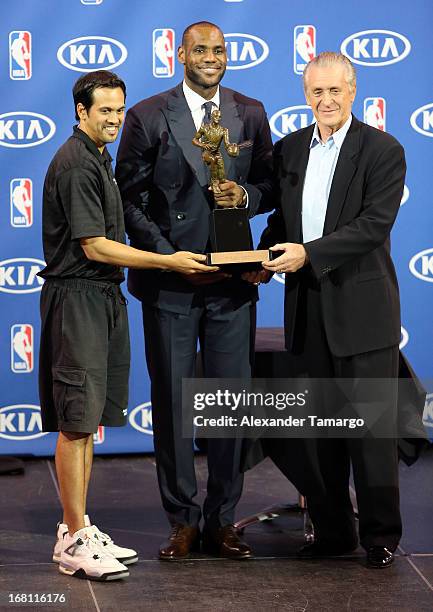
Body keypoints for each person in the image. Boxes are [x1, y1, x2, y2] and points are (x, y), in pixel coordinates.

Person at [39, 70, 214, 581]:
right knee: (76, 423)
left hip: (102, 297)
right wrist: (168, 261)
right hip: (78, 301)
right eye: (105, 111)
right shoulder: (75, 163)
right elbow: (94, 245)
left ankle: (80, 526)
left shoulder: (99, 158)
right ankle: (72, 538)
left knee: (87, 419)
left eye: (120, 110)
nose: (115, 119)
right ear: (81, 112)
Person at [116, 21, 273, 560]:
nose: (211, 58)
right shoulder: (146, 115)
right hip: (171, 285)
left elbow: (271, 185)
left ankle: (222, 520)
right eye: (201, 50)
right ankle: (181, 519)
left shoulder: (249, 111)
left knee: (230, 406)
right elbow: (128, 199)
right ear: (180, 54)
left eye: (219, 50)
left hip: (233, 282)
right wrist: (167, 257)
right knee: (175, 403)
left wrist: (245, 195)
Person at [246, 52, 408, 569]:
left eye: (335, 91)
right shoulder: (290, 150)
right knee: (318, 434)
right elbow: (282, 223)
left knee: (371, 433)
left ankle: (381, 537)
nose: (326, 101)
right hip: (306, 309)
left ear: (353, 91)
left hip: (362, 312)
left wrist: (308, 254)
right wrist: (263, 258)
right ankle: (334, 532)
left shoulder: (383, 149)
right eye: (317, 92)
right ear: (305, 95)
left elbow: (372, 225)